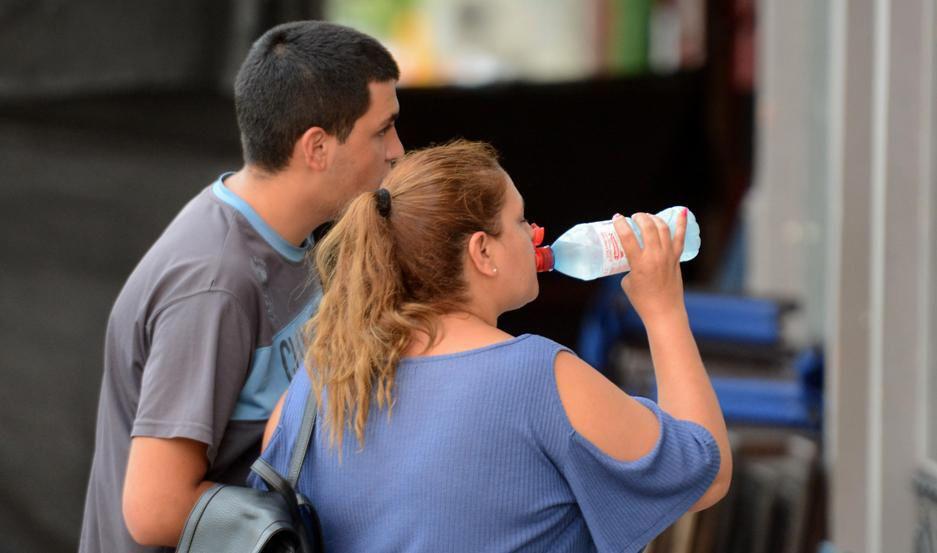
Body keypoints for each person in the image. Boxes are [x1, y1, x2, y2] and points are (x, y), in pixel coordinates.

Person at [254, 140, 733, 552]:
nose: (535, 233)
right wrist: (664, 310)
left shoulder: (309, 393)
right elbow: (704, 473)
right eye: (520, 220)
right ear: (482, 251)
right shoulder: (536, 375)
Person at [79, 21, 403, 551]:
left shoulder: (286, 235)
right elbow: (153, 509)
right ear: (316, 147)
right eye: (382, 129)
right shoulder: (215, 284)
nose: (397, 150)